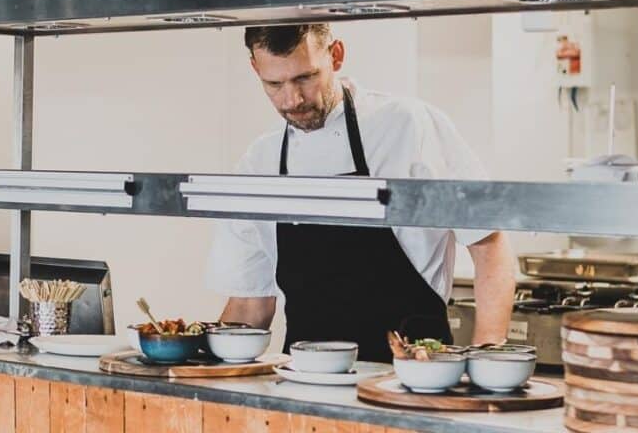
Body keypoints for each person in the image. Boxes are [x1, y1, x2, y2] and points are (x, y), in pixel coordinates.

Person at [204, 24, 516, 361]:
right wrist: (201, 365)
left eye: (305, 78)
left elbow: (489, 247)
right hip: (306, 382)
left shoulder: (407, 125)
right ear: (255, 68)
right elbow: (251, 303)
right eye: (274, 84)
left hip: (412, 379)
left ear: (336, 55)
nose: (292, 100)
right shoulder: (259, 161)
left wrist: (488, 358)